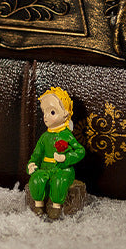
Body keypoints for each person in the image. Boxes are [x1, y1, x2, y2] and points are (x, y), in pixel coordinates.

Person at [27, 86, 85, 219]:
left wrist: (65, 158)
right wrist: (31, 164)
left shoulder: (67, 135)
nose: (46, 117)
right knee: (37, 179)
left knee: (59, 182)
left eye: (52, 112)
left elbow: (80, 151)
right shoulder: (44, 137)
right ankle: (38, 205)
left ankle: (56, 207)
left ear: (65, 113)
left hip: (62, 169)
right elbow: (36, 155)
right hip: (45, 167)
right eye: (44, 113)